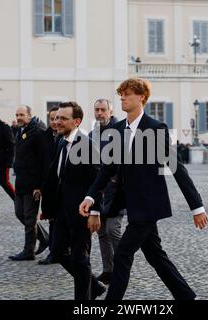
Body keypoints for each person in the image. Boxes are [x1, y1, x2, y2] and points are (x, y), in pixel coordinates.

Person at [79, 78, 208, 300]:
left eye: (127, 94)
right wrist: (91, 196)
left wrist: (197, 207)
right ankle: (187, 296)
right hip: (129, 203)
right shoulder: (118, 129)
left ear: (141, 97)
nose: (122, 98)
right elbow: (107, 169)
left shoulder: (156, 128)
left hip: (149, 204)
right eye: (121, 94)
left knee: (122, 254)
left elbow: (177, 168)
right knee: (155, 256)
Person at [45, 102, 106, 300]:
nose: (57, 122)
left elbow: (98, 182)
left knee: (80, 261)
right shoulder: (61, 142)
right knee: (57, 251)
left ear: (77, 121)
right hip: (61, 211)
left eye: (63, 118)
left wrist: (95, 212)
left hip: (82, 212)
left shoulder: (88, 146)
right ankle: (94, 286)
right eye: (56, 118)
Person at [88, 98, 124, 284]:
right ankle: (108, 270)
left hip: (117, 190)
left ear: (110, 112)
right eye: (97, 110)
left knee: (113, 230)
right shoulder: (92, 133)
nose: (100, 113)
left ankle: (122, 267)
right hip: (99, 190)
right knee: (102, 232)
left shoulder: (120, 130)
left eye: (103, 110)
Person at [9, 106, 47, 261]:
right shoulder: (21, 130)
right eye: (17, 114)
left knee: (30, 218)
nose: (18, 117)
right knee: (20, 213)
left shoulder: (37, 131)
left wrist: (39, 186)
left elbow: (42, 161)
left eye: (22, 115)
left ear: (29, 115)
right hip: (21, 181)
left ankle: (28, 251)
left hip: (33, 183)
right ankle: (45, 238)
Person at [39, 106, 66, 265]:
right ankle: (54, 252)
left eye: (59, 118)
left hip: (63, 186)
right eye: (53, 119)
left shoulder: (67, 138)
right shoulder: (44, 137)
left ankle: (61, 250)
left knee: (62, 220)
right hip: (49, 186)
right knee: (51, 219)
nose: (56, 122)